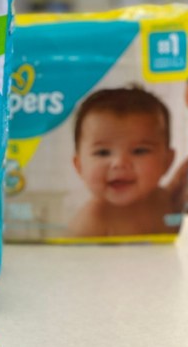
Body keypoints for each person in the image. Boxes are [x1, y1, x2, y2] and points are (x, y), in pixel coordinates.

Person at [68, 86, 179, 237]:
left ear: (167, 161)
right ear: (79, 166)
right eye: (103, 152)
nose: (119, 163)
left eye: (139, 151)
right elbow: (72, 261)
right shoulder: (92, 222)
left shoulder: (167, 200)